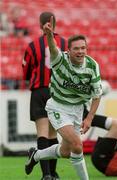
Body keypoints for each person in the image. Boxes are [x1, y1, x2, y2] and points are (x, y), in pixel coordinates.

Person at [25, 17, 103, 180]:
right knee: (77, 145)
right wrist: (49, 36)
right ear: (69, 50)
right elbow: (53, 49)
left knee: (66, 151)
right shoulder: (60, 60)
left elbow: (97, 95)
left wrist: (88, 119)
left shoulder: (92, 66)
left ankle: (36, 156)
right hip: (57, 107)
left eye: (83, 48)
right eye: (76, 49)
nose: (80, 51)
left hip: (77, 110)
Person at [22, 12, 67, 180]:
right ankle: (54, 174)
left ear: (40, 24)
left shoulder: (33, 45)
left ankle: (46, 175)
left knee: (42, 133)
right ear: (54, 23)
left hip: (40, 91)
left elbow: (25, 73)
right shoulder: (65, 43)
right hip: (58, 92)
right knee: (54, 134)